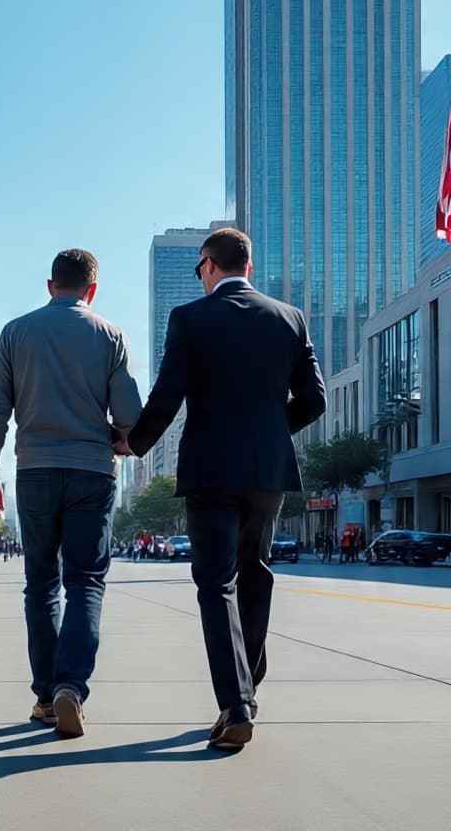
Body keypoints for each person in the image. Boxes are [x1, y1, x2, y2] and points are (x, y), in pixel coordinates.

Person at [121, 227, 325, 751]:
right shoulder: (290, 318)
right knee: (256, 573)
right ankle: (248, 690)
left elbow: (167, 395)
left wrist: (133, 443)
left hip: (211, 467)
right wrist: (271, 432)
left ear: (209, 265)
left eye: (199, 269)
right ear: (249, 268)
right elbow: (314, 400)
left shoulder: (190, 318)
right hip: (267, 468)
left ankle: (234, 705)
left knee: (217, 583)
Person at [0, 248, 143, 739]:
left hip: (35, 473)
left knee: (41, 584)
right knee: (86, 581)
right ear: (92, 291)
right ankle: (72, 685)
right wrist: (122, 439)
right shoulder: (110, 335)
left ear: (50, 285)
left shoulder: (16, 332)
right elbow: (129, 412)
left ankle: (46, 696)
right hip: (93, 472)